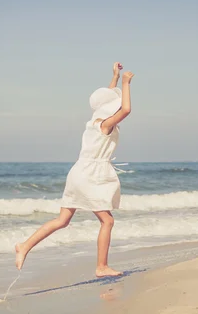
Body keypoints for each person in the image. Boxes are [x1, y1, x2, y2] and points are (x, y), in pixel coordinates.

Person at [15, 62, 134, 276]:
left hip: (79, 172)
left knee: (62, 220)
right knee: (107, 221)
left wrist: (114, 77)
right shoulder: (106, 125)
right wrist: (126, 83)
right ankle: (101, 266)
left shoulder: (94, 122)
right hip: (90, 175)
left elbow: (108, 102)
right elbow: (126, 109)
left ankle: (24, 246)